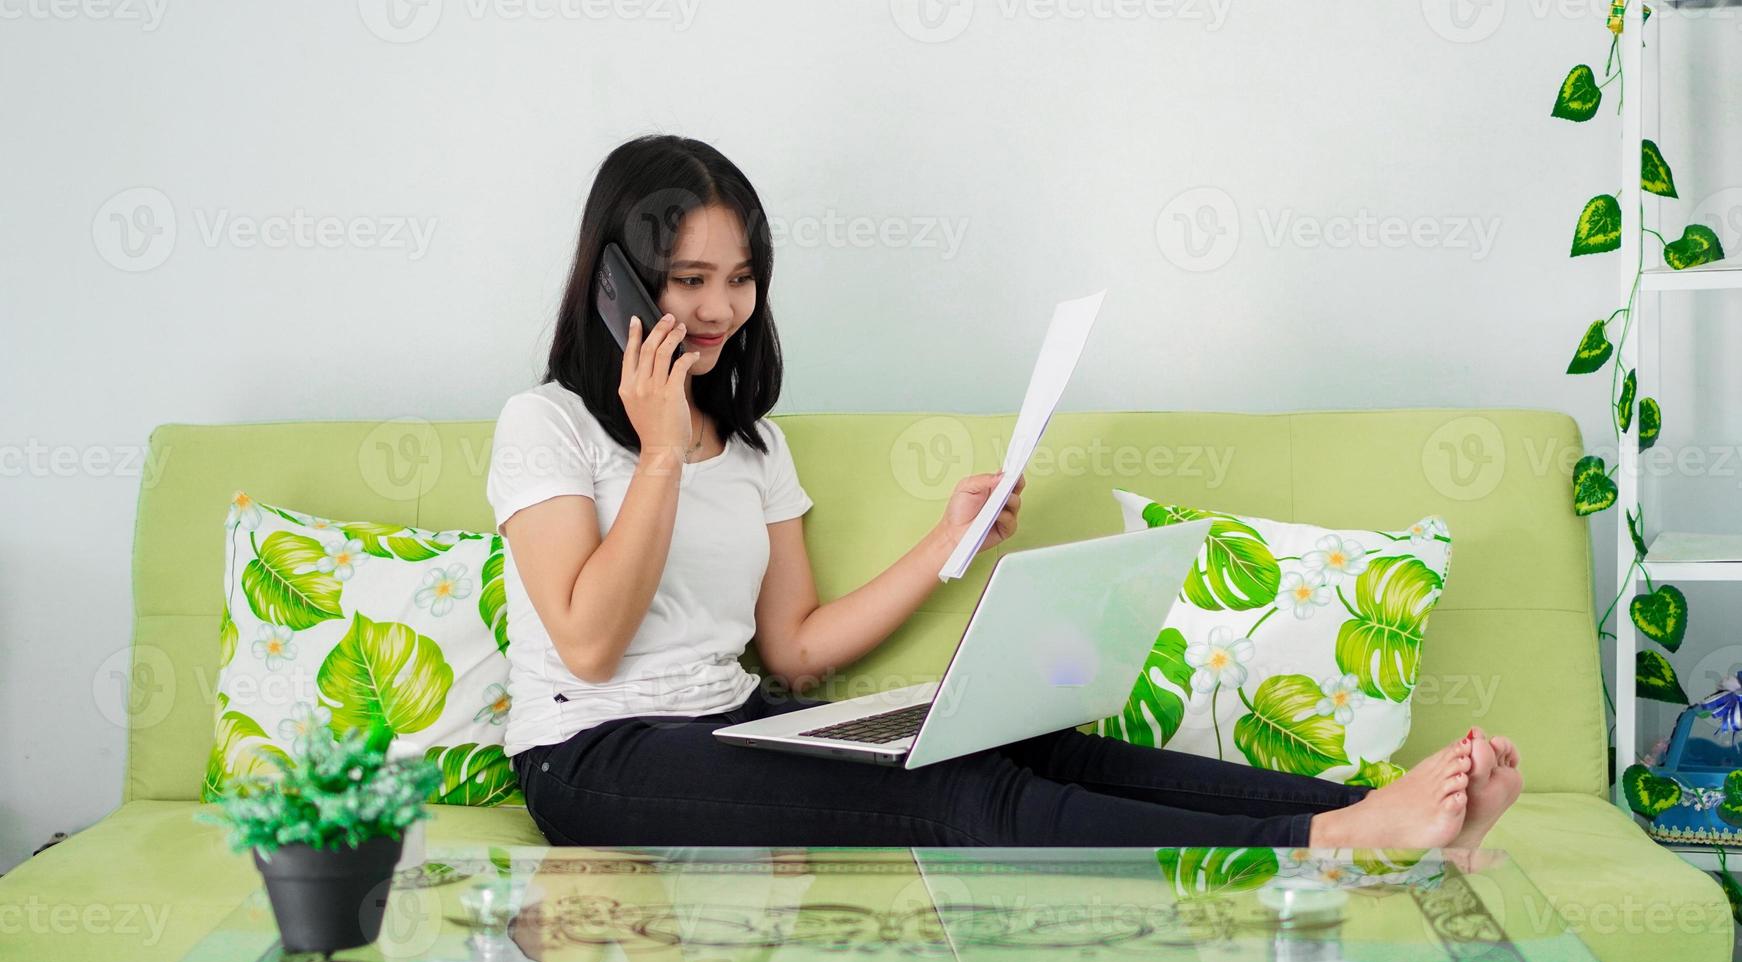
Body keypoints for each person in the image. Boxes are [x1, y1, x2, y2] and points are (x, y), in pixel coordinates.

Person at [485, 134, 1523, 849]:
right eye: (687, 279)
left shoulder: (753, 443)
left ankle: (1367, 804)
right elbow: (587, 642)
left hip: (734, 719)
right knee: (960, 794)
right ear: (617, 279)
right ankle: (1324, 839)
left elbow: (793, 646)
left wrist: (951, 541)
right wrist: (659, 454)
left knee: (1017, 738)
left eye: (741, 276)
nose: (721, 307)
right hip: (594, 755)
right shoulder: (548, 425)